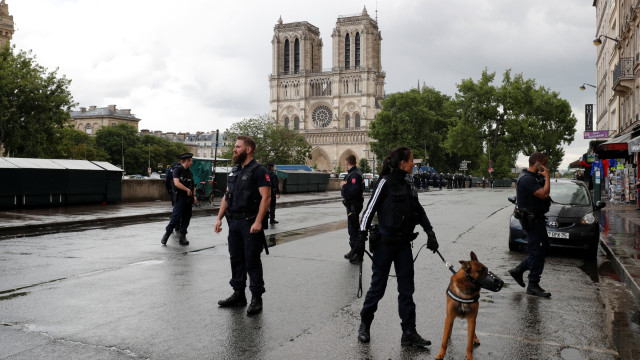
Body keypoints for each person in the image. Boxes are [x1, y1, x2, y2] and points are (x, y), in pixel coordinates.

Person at [352, 147, 439, 347]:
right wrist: (360, 238)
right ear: (402, 163)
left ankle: (408, 332)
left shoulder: (408, 184)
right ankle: (364, 325)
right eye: (411, 161)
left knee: (407, 290)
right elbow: (368, 210)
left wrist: (430, 232)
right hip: (385, 244)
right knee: (378, 288)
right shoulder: (384, 182)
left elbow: (419, 210)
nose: (414, 164)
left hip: (403, 245)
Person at [215, 136, 271, 315]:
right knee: (236, 259)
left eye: (238, 147)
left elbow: (266, 197)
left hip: (250, 221)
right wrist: (219, 218)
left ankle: (256, 298)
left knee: (252, 260)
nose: (234, 149)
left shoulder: (259, 170)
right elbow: (227, 195)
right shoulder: (235, 171)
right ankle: (239, 294)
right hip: (235, 222)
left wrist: (258, 222)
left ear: (248, 149)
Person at [508, 152, 552, 298]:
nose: (545, 166)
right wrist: (547, 177)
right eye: (544, 163)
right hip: (532, 220)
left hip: (537, 219)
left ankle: (519, 270)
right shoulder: (527, 179)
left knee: (542, 249)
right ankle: (532, 284)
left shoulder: (532, 177)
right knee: (536, 252)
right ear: (538, 163)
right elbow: (544, 195)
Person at [161, 153, 196, 246]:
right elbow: (176, 183)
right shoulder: (177, 170)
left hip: (188, 199)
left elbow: (193, 185)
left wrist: (194, 196)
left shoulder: (189, 172)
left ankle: (182, 237)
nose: (192, 162)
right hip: (180, 198)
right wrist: (187, 189)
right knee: (175, 218)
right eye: (191, 161)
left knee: (186, 218)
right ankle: (167, 234)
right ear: (187, 161)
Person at [341, 154, 364, 261]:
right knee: (353, 229)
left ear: (347, 162)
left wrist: (344, 186)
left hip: (353, 205)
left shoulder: (354, 175)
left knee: (353, 229)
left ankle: (357, 253)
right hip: (353, 205)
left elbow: (354, 191)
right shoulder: (353, 174)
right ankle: (353, 250)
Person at [164, 161, 181, 234]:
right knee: (179, 208)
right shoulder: (182, 168)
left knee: (176, 207)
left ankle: (175, 224)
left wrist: (169, 190)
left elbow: (167, 180)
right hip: (181, 190)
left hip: (173, 190)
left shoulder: (171, 167)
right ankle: (176, 225)